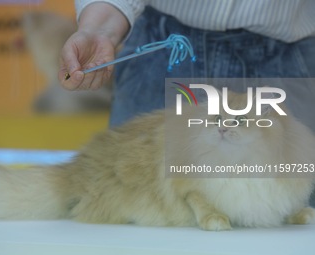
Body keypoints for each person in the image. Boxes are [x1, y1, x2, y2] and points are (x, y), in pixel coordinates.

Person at [59, 0, 315, 206]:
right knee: (118, 215)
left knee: (293, 223)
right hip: (162, 51)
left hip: (286, 59)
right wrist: (98, 29)